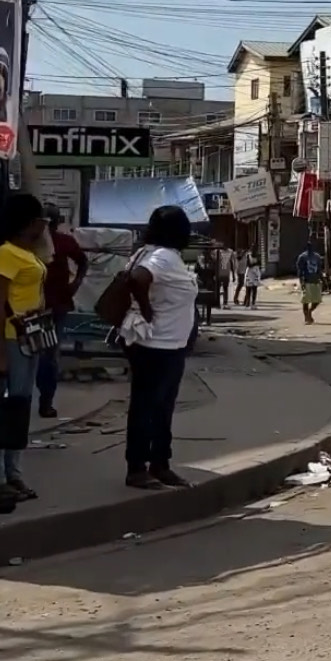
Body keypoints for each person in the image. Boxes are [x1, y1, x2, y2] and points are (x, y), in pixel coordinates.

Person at [0, 192, 47, 508]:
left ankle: (13, 473)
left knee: (20, 407)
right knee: (2, 409)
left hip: (28, 338)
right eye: (39, 219)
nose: (43, 224)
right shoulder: (5, 254)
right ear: (27, 222)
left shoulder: (27, 250)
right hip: (6, 338)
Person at [123, 204, 199, 491]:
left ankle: (159, 464)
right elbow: (138, 279)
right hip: (157, 345)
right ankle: (137, 468)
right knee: (148, 408)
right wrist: (147, 310)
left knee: (161, 408)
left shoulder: (156, 253)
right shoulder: (163, 257)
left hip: (166, 344)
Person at [35, 206, 88, 420]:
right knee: (38, 354)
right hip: (34, 306)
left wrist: (75, 283)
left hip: (56, 306)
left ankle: (45, 401)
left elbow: (83, 262)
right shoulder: (33, 243)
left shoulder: (64, 242)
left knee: (48, 355)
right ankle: (37, 398)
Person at [296, 240, 324, 325]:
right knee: (306, 301)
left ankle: (309, 312)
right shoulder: (302, 257)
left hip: (315, 280)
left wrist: (322, 279)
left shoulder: (317, 257)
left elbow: (319, 269)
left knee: (317, 300)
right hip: (306, 280)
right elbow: (300, 270)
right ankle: (306, 318)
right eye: (308, 246)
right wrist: (301, 281)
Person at [215, 243, 234, 308]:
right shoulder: (218, 252)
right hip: (219, 273)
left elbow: (231, 263)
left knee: (225, 288)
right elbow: (216, 262)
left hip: (226, 273)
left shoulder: (230, 252)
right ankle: (217, 303)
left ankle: (225, 302)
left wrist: (233, 274)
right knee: (218, 288)